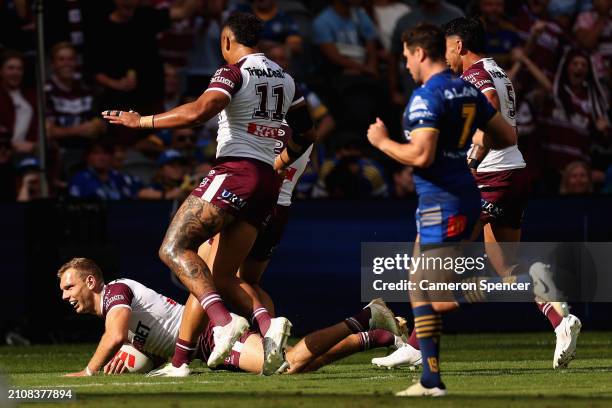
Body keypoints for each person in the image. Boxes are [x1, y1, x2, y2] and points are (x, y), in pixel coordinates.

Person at [101, 13, 317, 375]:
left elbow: (200, 111)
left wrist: (142, 121)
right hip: (266, 182)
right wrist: (279, 162)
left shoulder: (233, 72)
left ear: (227, 41)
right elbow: (307, 133)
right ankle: (263, 328)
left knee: (172, 248)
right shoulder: (287, 78)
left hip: (234, 172)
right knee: (222, 276)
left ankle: (223, 322)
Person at [377, 16, 580, 372]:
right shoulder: (498, 70)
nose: (446, 55)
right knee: (506, 269)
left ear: (459, 45)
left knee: (428, 262)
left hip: (490, 178)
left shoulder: (474, 77)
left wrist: (470, 159)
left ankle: (416, 347)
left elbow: (492, 111)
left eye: (448, 47)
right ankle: (559, 319)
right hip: (514, 173)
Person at [366, 23, 519, 397]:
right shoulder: (467, 89)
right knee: (421, 287)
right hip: (463, 192)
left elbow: (421, 154)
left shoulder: (426, 97)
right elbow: (508, 135)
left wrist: (382, 142)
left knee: (429, 294)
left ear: (419, 52)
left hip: (443, 201)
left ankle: (516, 285)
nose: (404, 65)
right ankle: (430, 379)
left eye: (405, 57)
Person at [59, 257, 404, 376]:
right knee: (298, 366)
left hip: (211, 338)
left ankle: (368, 316)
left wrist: (89, 371)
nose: (65, 295)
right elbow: (148, 334)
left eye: (69, 286)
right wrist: (142, 356)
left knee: (290, 364)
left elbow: (115, 335)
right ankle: (372, 336)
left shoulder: (116, 292)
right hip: (205, 349)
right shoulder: (116, 303)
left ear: (91, 281)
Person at [45, 42, 106, 177]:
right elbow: (48, 131)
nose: (67, 63)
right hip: (60, 152)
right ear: (53, 64)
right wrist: (79, 130)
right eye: (61, 59)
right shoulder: (46, 91)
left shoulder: (87, 87)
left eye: (70, 59)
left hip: (88, 150)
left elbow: (100, 120)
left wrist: (100, 125)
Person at [68, 142, 140, 200]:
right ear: (87, 157)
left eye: (105, 153)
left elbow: (140, 191)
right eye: (96, 153)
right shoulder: (79, 179)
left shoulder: (120, 178)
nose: (101, 157)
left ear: (111, 157)